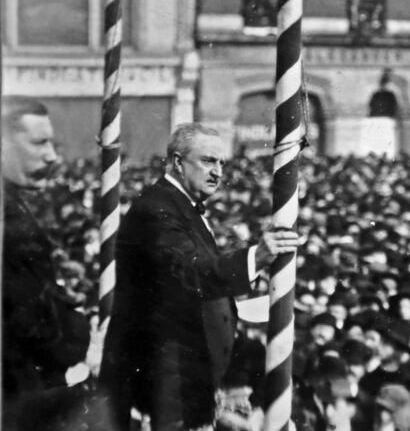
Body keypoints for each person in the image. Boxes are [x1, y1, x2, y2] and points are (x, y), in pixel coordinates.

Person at [99, 123, 301, 430]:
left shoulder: (182, 208)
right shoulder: (157, 209)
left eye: (221, 163)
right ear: (178, 162)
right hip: (167, 381)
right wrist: (256, 256)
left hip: (187, 378)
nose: (218, 172)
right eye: (208, 160)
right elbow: (192, 274)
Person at [2, 97, 92, 430]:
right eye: (39, 143)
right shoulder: (11, 223)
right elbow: (40, 332)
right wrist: (85, 335)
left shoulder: (17, 211)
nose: (52, 156)